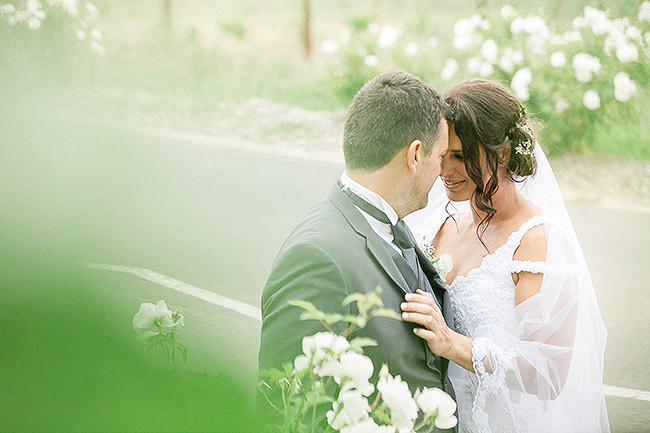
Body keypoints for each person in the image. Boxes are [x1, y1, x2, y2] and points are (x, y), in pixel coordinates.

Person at [402, 79, 610, 433]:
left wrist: (452, 344)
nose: (444, 171)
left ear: (501, 153)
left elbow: (549, 374)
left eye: (461, 157)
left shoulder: (535, 242)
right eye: (442, 155)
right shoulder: (437, 223)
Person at [258, 71, 455, 430]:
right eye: (440, 156)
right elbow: (284, 408)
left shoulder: (391, 222)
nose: (442, 172)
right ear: (414, 155)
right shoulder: (317, 257)